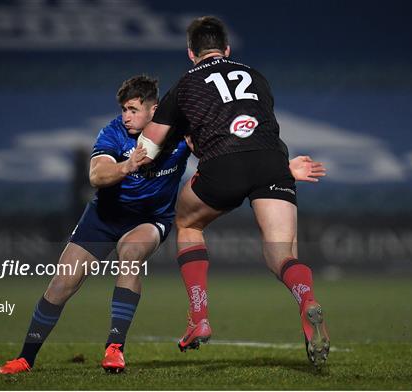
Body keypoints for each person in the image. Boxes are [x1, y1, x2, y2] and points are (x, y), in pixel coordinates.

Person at [0, 75, 326, 375]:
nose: (126, 116)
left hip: (151, 219)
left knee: (131, 253)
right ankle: (26, 358)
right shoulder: (113, 133)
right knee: (61, 284)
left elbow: (231, 151)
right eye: (123, 110)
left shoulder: (180, 134)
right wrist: (129, 164)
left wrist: (282, 168)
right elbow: (96, 175)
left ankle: (114, 349)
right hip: (104, 217)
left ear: (155, 108)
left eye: (133, 109)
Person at [138, 16, 330, 367]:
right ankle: (307, 300)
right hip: (272, 163)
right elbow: (257, 133)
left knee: (187, 223)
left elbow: (147, 147)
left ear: (191, 54)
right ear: (226, 50)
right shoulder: (256, 76)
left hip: (221, 166)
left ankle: (199, 318)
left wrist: (138, 165)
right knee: (281, 254)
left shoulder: (184, 85)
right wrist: (285, 168)